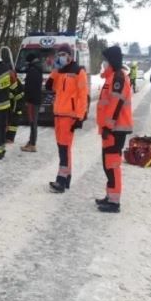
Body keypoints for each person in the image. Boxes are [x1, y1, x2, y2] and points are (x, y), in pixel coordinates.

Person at [95, 45, 133, 212]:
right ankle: (110, 196)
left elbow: (115, 105)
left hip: (115, 129)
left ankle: (114, 202)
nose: (103, 63)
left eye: (105, 60)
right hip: (111, 128)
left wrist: (108, 127)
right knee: (107, 163)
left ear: (111, 60)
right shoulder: (112, 77)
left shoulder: (118, 78)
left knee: (112, 164)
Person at [46, 48, 88, 193]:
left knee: (64, 148)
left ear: (70, 56)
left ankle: (61, 180)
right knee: (62, 147)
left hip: (69, 116)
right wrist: (56, 69)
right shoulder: (60, 71)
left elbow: (83, 96)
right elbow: (49, 86)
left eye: (63, 55)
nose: (61, 57)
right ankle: (67, 176)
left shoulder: (78, 72)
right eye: (59, 55)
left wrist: (80, 116)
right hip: (58, 114)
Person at [21, 53, 43, 152]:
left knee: (33, 122)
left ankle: (32, 144)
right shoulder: (37, 69)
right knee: (33, 121)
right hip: (35, 99)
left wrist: (27, 99)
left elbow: (30, 87)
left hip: (32, 100)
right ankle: (31, 142)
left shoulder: (33, 70)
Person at [5, 71, 25, 144]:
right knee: (9, 122)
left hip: (17, 107)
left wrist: (11, 96)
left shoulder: (17, 85)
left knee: (13, 123)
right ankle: (7, 137)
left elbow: (18, 97)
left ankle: (10, 138)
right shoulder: (13, 83)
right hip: (12, 106)